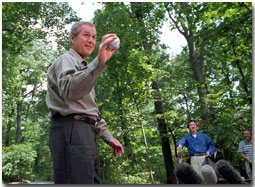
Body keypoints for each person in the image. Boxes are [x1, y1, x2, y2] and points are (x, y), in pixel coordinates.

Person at [46, 21, 124, 184]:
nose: (91, 40)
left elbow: (90, 110)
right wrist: (99, 62)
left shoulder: (86, 69)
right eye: (86, 35)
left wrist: (108, 137)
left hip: (85, 132)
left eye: (94, 37)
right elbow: (70, 91)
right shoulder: (65, 60)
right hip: (71, 129)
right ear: (72, 38)